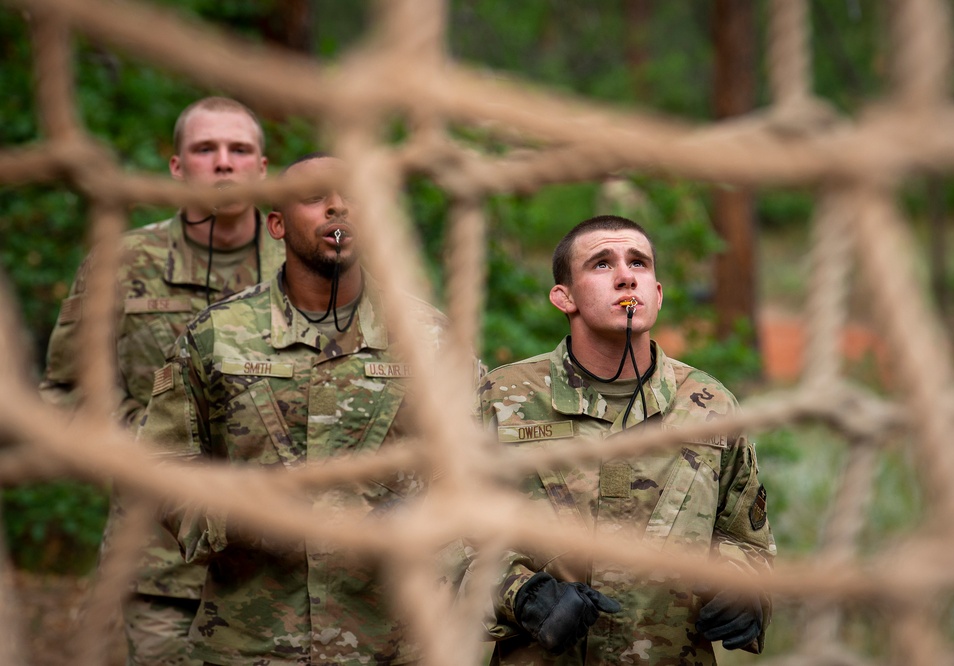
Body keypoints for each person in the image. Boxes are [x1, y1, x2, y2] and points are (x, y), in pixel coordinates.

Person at [136, 153, 453, 665]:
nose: (338, 208)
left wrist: (422, 516)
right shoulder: (218, 334)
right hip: (252, 642)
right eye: (316, 198)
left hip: (390, 642)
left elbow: (474, 468)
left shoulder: (430, 338)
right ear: (277, 224)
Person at [39, 96, 281, 666]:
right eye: (206, 149)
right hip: (157, 564)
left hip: (282, 568)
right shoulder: (123, 263)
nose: (223, 163)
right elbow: (66, 393)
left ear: (262, 168)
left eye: (239, 150)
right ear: (178, 167)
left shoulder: (303, 270)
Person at [474, 215, 776, 665]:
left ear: (656, 293)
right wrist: (522, 595)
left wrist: (744, 591)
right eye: (601, 264)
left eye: (639, 262)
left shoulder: (709, 405)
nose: (625, 275)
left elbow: (749, 542)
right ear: (565, 297)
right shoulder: (503, 399)